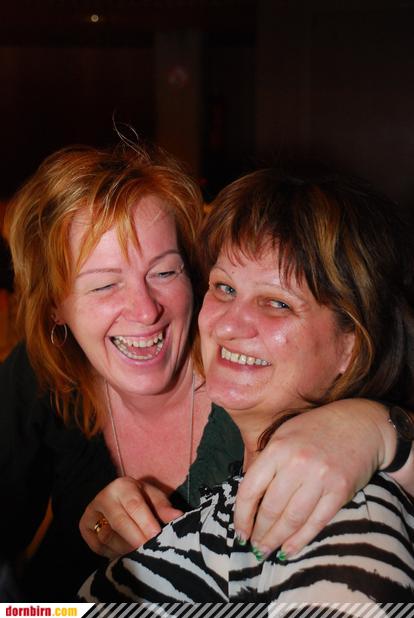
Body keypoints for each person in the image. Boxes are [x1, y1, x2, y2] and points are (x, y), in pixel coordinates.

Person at [1, 144, 412, 601]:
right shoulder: (47, 369)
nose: (145, 310)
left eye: (164, 272)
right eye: (104, 285)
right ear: (54, 306)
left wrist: (378, 430)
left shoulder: (322, 488)